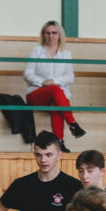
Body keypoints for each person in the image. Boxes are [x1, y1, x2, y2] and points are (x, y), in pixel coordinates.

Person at [23, 20, 85, 152]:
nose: (51, 36)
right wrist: (43, 82)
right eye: (48, 33)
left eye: (54, 33)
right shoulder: (37, 51)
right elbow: (27, 74)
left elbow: (70, 76)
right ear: (43, 35)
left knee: (55, 103)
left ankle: (59, 142)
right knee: (55, 89)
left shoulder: (66, 54)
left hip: (57, 97)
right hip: (36, 94)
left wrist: (54, 80)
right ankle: (73, 124)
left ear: (59, 35)